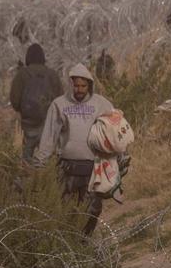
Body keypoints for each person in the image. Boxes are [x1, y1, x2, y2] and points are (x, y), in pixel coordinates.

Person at [33, 64, 114, 236]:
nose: (79, 89)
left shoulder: (101, 104)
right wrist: (40, 163)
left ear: (89, 85)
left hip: (93, 166)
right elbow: (49, 136)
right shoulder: (59, 104)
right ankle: (70, 241)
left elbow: (115, 130)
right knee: (67, 208)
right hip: (67, 167)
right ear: (71, 84)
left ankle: (85, 241)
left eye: (83, 86)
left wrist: (118, 155)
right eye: (76, 85)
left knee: (93, 208)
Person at [8, 43, 63, 163]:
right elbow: (60, 99)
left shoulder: (22, 74)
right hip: (48, 123)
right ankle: (44, 178)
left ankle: (29, 179)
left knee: (27, 157)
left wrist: (23, 110)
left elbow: (15, 100)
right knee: (46, 157)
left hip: (28, 123)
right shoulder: (52, 74)